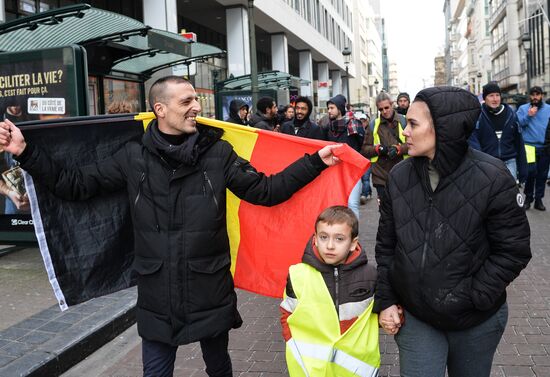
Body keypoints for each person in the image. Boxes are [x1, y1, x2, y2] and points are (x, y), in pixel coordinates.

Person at [0, 76, 343, 377]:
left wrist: (315, 162)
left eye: (196, 99)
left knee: (219, 366)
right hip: (157, 290)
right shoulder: (133, 156)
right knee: (156, 371)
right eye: (187, 101)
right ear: (160, 109)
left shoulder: (217, 153)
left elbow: (267, 191)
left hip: (209, 283)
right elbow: (73, 185)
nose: (196, 107)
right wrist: (25, 151)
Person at [375, 86, 531, 377]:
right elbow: (386, 246)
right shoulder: (399, 177)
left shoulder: (494, 177)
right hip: (417, 315)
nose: (404, 132)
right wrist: (385, 301)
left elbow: (514, 249)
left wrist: (477, 295)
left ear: (444, 129)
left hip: (476, 320)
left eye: (413, 124)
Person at [280, 205, 379, 376]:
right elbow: (287, 313)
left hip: (355, 368)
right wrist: (291, 341)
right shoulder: (298, 275)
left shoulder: (369, 275)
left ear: (353, 243)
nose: (330, 245)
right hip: (311, 369)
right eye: (324, 237)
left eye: (339, 239)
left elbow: (377, 312)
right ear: (315, 239)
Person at [469, 82, 527, 184]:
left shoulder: (511, 115)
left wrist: (523, 170)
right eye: (491, 96)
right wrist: (481, 162)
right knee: (491, 196)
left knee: (509, 196)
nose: (495, 99)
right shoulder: (478, 116)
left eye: (497, 95)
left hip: (509, 162)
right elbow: (473, 142)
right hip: (488, 163)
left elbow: (519, 143)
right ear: (484, 98)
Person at [361, 92, 408, 205]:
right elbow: (364, 150)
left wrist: (399, 149)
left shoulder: (404, 121)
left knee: (402, 211)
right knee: (385, 213)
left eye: (386, 107)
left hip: (403, 172)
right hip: (381, 175)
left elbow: (415, 143)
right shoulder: (373, 125)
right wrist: (378, 149)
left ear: (392, 104)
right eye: (381, 109)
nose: (384, 111)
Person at [326, 94, 366, 218]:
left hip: (352, 170)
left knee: (352, 204)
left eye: (332, 108)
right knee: (337, 205)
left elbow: (361, 144)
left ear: (339, 109)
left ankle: (354, 236)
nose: (329, 111)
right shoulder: (329, 127)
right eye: (328, 108)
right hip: (335, 170)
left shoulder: (354, 124)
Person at [517, 85, 550, 210]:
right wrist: (529, 116)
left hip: (545, 147)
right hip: (529, 146)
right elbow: (518, 124)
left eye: (538, 94)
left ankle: (538, 200)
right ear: (529, 96)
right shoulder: (523, 109)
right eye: (533, 94)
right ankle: (528, 198)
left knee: (542, 175)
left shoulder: (548, 109)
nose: (535, 97)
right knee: (530, 173)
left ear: (541, 95)